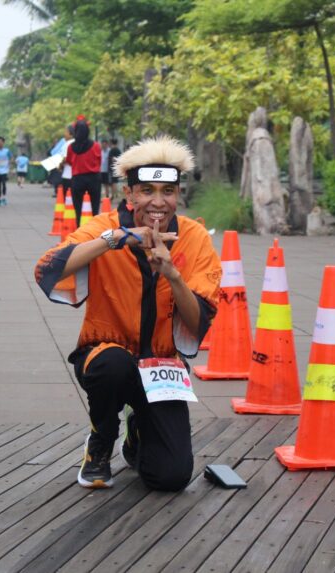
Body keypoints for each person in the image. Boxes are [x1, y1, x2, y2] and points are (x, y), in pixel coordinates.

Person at [34, 135, 222, 491]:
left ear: (178, 194)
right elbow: (47, 269)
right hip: (105, 355)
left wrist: (173, 274)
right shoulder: (104, 226)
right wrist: (115, 239)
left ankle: (136, 434)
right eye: (146, 190)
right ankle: (102, 438)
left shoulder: (195, 238)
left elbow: (199, 322)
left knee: (171, 477)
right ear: (129, 193)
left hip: (161, 366)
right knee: (113, 364)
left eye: (167, 191)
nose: (158, 202)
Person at [65, 120, 102, 225]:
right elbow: (98, 161)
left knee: (78, 206)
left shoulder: (71, 147)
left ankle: (79, 227)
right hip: (93, 178)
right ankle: (94, 228)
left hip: (78, 179)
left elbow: (69, 161)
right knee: (94, 206)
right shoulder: (95, 146)